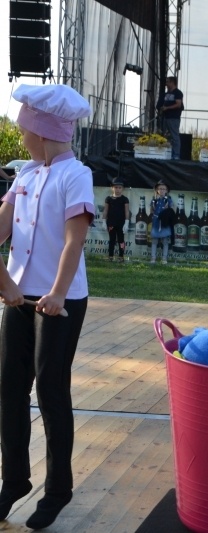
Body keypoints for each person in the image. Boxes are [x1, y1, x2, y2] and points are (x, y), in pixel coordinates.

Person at [0, 84, 94, 530]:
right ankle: (14, 480)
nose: (21, 139)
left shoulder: (76, 175)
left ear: (41, 131)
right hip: (19, 297)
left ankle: (58, 488)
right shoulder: (26, 175)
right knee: (8, 389)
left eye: (23, 130)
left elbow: (74, 239)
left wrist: (56, 293)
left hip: (60, 300)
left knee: (51, 392)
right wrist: (5, 283)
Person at [103, 178, 130, 262]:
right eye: (116, 187)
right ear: (112, 188)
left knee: (121, 240)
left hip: (121, 223)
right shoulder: (109, 199)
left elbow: (127, 211)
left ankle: (121, 256)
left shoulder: (125, 199)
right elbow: (106, 210)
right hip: (111, 223)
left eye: (119, 188)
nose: (117, 189)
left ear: (123, 189)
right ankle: (110, 256)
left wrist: (127, 222)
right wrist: (104, 221)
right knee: (112, 240)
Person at [157, 76, 183, 160]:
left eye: (168, 82)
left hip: (174, 118)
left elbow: (178, 104)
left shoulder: (178, 93)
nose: (166, 84)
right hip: (165, 117)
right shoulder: (165, 94)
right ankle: (165, 153)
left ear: (172, 82)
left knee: (174, 137)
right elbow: (159, 105)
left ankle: (176, 155)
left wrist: (167, 108)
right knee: (164, 136)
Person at [149, 180, 173, 264]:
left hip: (164, 222)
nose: (162, 190)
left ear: (166, 190)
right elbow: (151, 211)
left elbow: (171, 210)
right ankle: (153, 258)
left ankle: (164, 258)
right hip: (156, 222)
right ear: (157, 190)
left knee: (165, 241)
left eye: (164, 189)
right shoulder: (154, 200)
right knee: (154, 241)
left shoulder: (168, 200)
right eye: (160, 189)